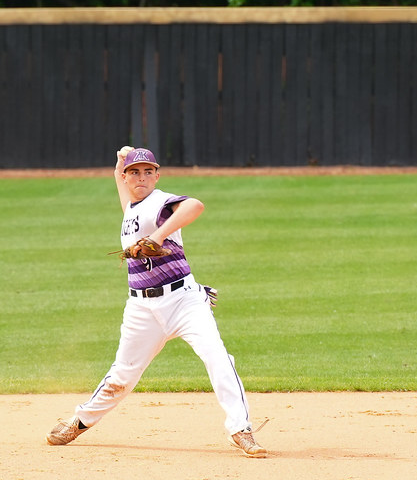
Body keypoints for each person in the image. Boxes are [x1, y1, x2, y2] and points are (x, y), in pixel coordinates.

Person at [46, 146, 266, 458]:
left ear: (157, 175)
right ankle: (80, 421)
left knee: (217, 357)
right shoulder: (130, 209)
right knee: (122, 375)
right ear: (126, 178)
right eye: (135, 172)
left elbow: (195, 205)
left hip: (184, 301)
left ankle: (240, 429)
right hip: (141, 309)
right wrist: (120, 163)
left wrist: (160, 237)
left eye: (148, 171)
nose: (142, 177)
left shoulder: (160, 201)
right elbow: (121, 185)